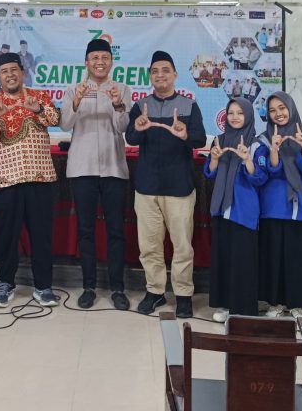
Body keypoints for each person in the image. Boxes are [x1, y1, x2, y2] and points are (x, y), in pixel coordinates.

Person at [125, 50, 207, 318]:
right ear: (150, 76)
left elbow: (199, 139)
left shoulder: (188, 105)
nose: (160, 75)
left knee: (182, 246)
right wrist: (138, 127)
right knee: (149, 246)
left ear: (175, 75)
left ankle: (183, 295)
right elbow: (131, 138)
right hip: (147, 188)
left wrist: (184, 134)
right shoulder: (141, 106)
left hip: (179, 188)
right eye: (155, 71)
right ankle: (155, 292)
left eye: (165, 70)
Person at [0, 52, 61, 307]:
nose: (10, 75)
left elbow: (55, 119)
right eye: (5, 71)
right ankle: (5, 283)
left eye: (14, 70)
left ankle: (43, 286)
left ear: (22, 73)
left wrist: (38, 109)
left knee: (42, 236)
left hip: (39, 178)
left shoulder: (39, 96)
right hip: (6, 181)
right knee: (6, 237)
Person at [59, 38, 132, 310]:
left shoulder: (122, 89)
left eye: (105, 57)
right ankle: (88, 286)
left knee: (116, 231)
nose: (100, 62)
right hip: (82, 168)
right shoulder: (73, 89)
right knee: (86, 231)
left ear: (111, 62)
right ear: (86, 62)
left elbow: (124, 128)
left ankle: (117, 288)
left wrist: (118, 105)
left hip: (114, 167)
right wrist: (76, 102)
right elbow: (65, 124)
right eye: (95, 58)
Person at [206, 98, 268, 321]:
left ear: (249, 116)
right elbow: (210, 173)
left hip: (243, 212)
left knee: (242, 261)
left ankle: (242, 310)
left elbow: (261, 178)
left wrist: (247, 160)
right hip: (221, 209)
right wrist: (214, 159)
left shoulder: (257, 145)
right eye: (231, 113)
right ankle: (225, 305)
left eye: (240, 113)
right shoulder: (219, 140)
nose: (234, 117)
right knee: (223, 258)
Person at [257, 92, 302, 320]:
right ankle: (275, 303)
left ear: (291, 108)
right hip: (273, 206)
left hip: (300, 207)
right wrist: (274, 150)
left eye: (282, 108)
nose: (278, 114)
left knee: (298, 258)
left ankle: (298, 304)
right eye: (272, 110)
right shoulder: (263, 140)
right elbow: (270, 171)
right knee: (274, 258)